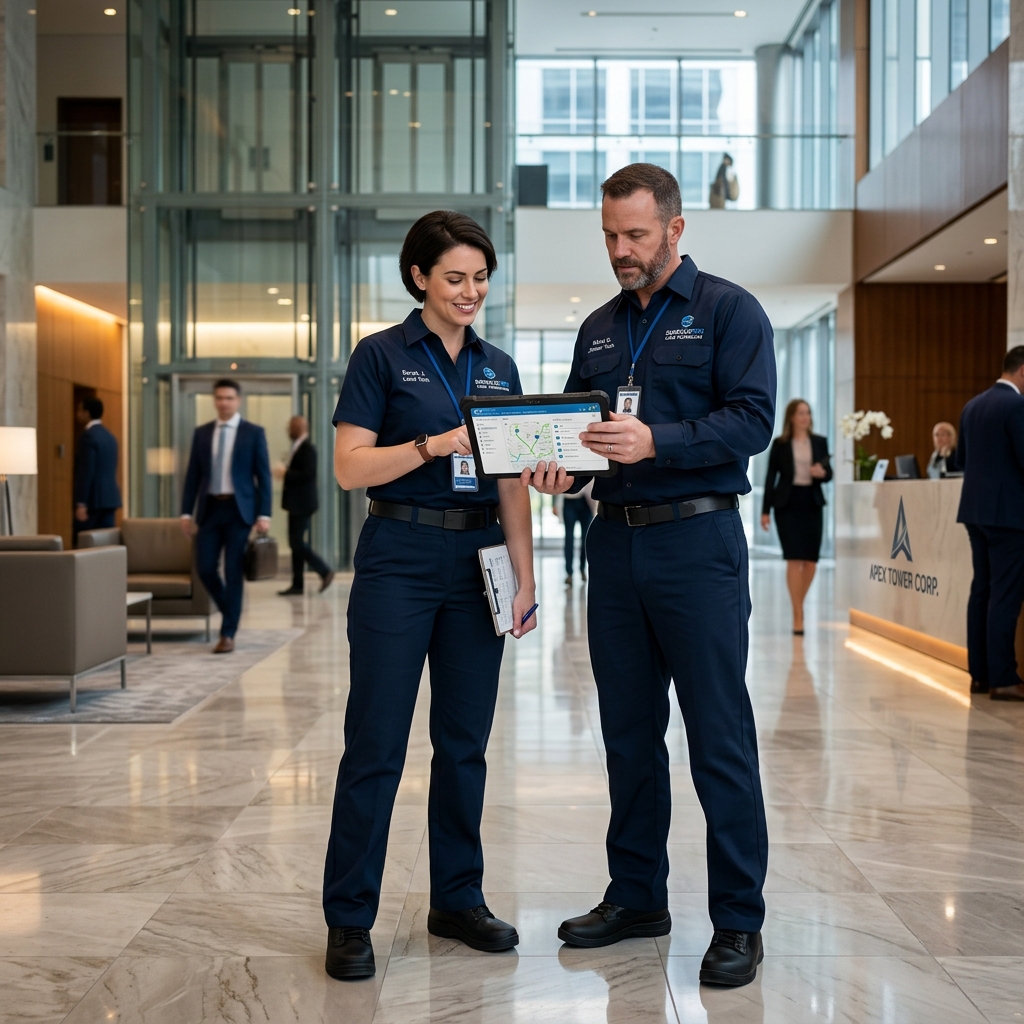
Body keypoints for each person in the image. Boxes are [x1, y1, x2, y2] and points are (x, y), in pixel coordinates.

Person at [524, 163, 775, 988]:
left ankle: (738, 917)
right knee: (628, 737)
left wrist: (656, 441)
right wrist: (564, 470)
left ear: (675, 228)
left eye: (634, 234)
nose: (620, 250)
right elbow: (572, 428)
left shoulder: (729, 310)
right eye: (609, 236)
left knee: (717, 737)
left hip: (697, 545)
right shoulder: (597, 325)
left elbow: (752, 420)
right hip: (615, 547)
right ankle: (637, 896)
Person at [323, 211, 537, 982]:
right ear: (419, 276)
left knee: (465, 743)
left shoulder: (500, 369)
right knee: (376, 742)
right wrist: (431, 445)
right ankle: (350, 916)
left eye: (480, 278)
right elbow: (350, 469)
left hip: (478, 554)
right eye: (455, 277)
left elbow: (512, 483)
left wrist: (526, 574)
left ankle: (457, 896)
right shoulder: (380, 357)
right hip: (400, 553)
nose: (470, 291)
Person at [180, 379, 272, 654]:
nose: (224, 402)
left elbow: (263, 476)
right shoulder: (203, 433)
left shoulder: (253, 432)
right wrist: (186, 512)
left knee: (233, 571)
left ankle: (228, 632)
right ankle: (229, 610)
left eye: (229, 398)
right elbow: (193, 476)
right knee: (205, 567)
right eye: (219, 398)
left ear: (238, 400)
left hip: (239, 511)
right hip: (209, 509)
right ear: (214, 400)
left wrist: (264, 513)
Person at [957, 346, 1024, 700]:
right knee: (1005, 594)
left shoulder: (973, 405)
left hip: (975, 512)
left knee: (982, 590)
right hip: (1009, 516)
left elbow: (960, 459)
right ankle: (1003, 678)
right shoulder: (1016, 406)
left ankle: (979, 675)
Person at [760, 399, 833, 635]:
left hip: (812, 502)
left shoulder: (820, 442)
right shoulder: (780, 444)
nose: (805, 417)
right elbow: (771, 478)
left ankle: (798, 605)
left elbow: (828, 473)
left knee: (811, 562)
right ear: (791, 417)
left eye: (808, 413)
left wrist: (821, 473)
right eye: (801, 413)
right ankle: (797, 614)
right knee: (794, 559)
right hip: (787, 505)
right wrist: (765, 511)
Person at [278, 415, 334, 596]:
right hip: (295, 503)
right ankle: (297, 584)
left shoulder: (308, 448)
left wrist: (285, 473)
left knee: (297, 543)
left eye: (291, 427)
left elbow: (308, 474)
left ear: (299, 428)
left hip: (302, 503)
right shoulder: (297, 447)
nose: (288, 430)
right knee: (295, 543)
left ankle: (324, 570)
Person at [73, 396, 121, 537]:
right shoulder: (110, 436)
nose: (78, 414)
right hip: (110, 498)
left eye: (80, 410)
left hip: (93, 500)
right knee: (107, 541)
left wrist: (81, 503)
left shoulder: (88, 436)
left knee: (87, 543)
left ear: (87, 413)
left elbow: (86, 470)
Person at [553, 480, 595, 584]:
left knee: (586, 538)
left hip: (585, 501)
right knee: (569, 538)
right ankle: (569, 573)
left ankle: (582, 569)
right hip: (568, 501)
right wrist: (554, 503)